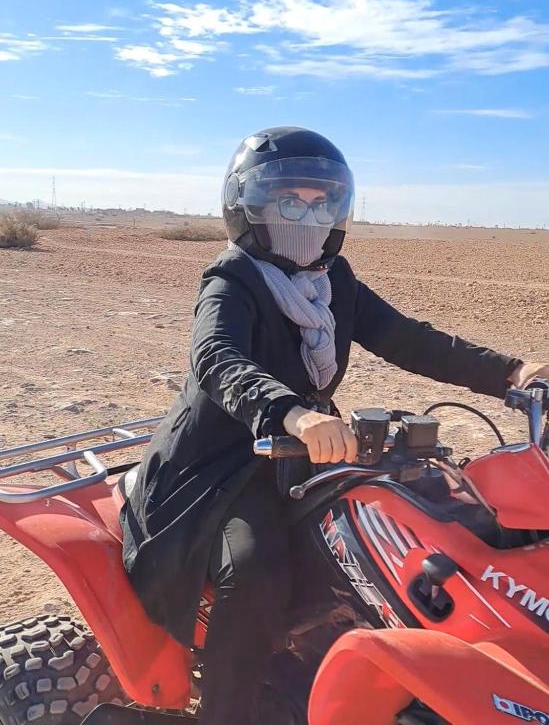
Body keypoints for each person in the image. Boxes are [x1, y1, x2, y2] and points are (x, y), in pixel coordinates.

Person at [120, 126, 548, 724]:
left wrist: (512, 372)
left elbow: (407, 338)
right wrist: (289, 410)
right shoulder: (232, 277)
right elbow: (217, 357)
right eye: (290, 200)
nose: (308, 214)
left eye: (323, 201)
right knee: (254, 569)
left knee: (435, 516)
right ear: (250, 206)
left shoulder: (332, 280)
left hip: (300, 451)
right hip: (220, 465)